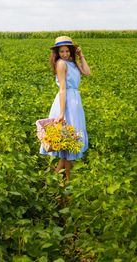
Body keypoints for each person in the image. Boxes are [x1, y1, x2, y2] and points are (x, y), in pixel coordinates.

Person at [39, 36, 91, 181]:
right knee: (68, 142)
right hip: (66, 101)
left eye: (67, 51)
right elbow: (62, 89)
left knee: (68, 142)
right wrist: (61, 113)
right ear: (57, 53)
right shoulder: (61, 64)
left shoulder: (72, 63)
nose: (65, 54)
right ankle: (68, 181)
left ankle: (55, 179)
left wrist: (81, 55)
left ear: (71, 51)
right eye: (61, 51)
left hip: (74, 101)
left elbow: (87, 72)